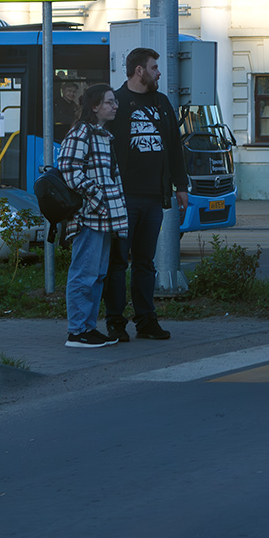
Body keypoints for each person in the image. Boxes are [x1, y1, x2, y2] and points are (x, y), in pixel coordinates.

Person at [103, 47, 188, 342]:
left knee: (145, 263)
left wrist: (181, 186)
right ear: (139, 71)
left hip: (154, 197)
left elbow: (175, 147)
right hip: (122, 197)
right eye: (154, 68)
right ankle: (115, 321)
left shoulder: (162, 103)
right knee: (117, 262)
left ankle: (145, 320)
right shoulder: (116, 102)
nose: (159, 73)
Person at [58, 84, 128, 349]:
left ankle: (88, 328)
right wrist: (98, 198)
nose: (115, 106)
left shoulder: (102, 135)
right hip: (90, 216)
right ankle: (77, 332)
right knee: (84, 274)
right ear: (95, 106)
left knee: (97, 275)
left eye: (115, 102)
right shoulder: (81, 132)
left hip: (104, 217)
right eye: (110, 102)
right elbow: (68, 169)